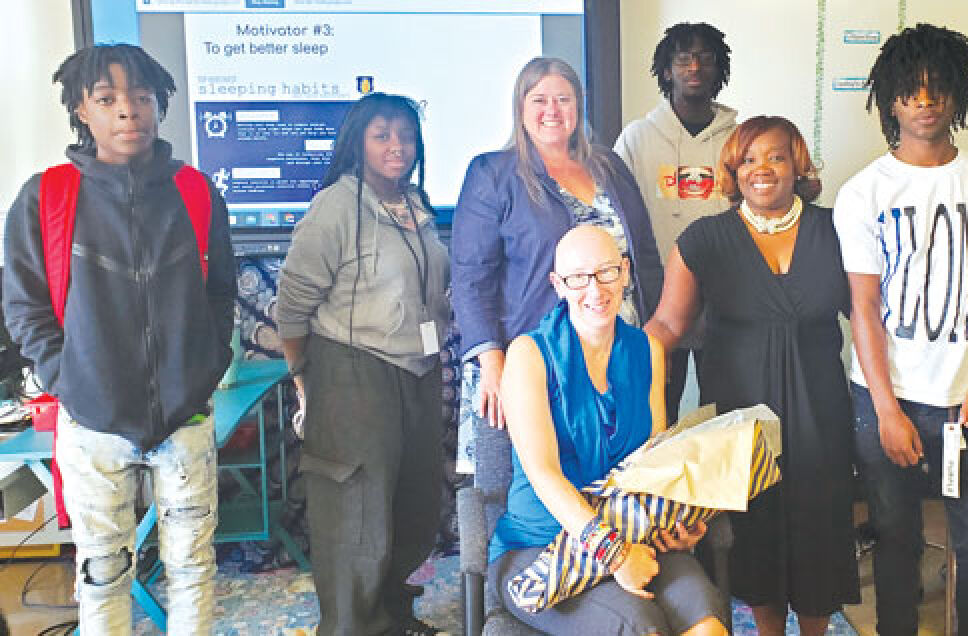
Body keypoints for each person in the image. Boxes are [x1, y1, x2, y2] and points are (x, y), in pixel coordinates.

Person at [3, 44, 236, 634]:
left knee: (192, 568)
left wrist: (206, 367)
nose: (128, 112)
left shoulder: (197, 191)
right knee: (102, 572)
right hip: (92, 426)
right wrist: (68, 381)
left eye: (140, 97)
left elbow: (222, 292)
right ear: (82, 109)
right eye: (107, 100)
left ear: (159, 104)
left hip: (185, 420)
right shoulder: (46, 196)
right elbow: (24, 306)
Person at [833, 24, 968, 636]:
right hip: (886, 399)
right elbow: (864, 308)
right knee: (896, 544)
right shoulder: (865, 192)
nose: (925, 99)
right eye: (909, 88)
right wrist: (886, 408)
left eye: (937, 86)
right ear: (889, 99)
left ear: (958, 93)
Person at [645, 116, 856, 635]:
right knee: (754, 535)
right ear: (733, 170)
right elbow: (666, 326)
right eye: (748, 159)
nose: (762, 169)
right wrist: (605, 363)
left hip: (820, 415)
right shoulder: (704, 240)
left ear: (797, 164)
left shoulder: (837, 230)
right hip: (742, 420)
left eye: (776, 157)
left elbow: (873, 319)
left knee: (818, 531)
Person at [490, 225, 727, 635]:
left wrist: (679, 523)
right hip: (542, 549)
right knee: (640, 627)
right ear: (558, 285)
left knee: (708, 620)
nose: (595, 290)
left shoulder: (647, 351)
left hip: (634, 531)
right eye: (578, 278)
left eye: (606, 272)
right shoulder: (528, 354)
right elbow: (543, 474)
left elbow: (652, 462)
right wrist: (614, 556)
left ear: (625, 272)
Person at [275, 93, 451, 636]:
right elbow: (292, 307)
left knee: (413, 504)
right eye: (383, 135)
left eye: (406, 135)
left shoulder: (415, 202)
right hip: (353, 373)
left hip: (417, 373)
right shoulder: (335, 206)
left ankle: (393, 616)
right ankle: (354, 626)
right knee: (358, 518)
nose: (398, 146)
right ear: (358, 142)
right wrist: (308, 379)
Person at [451, 57, 663, 468]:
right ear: (520, 107)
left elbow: (645, 258)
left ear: (579, 106)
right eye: (540, 99)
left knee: (620, 476)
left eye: (564, 99)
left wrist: (651, 346)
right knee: (537, 480)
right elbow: (470, 279)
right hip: (535, 361)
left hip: (618, 355)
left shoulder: (610, 166)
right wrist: (493, 364)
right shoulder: (492, 173)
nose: (553, 110)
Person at [613, 22, 737, 423]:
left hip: (726, 301)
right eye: (683, 58)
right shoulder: (635, 139)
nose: (695, 67)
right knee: (654, 415)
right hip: (657, 300)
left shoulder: (738, 138)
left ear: (720, 70)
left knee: (725, 412)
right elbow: (614, 218)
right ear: (666, 70)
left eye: (706, 58)